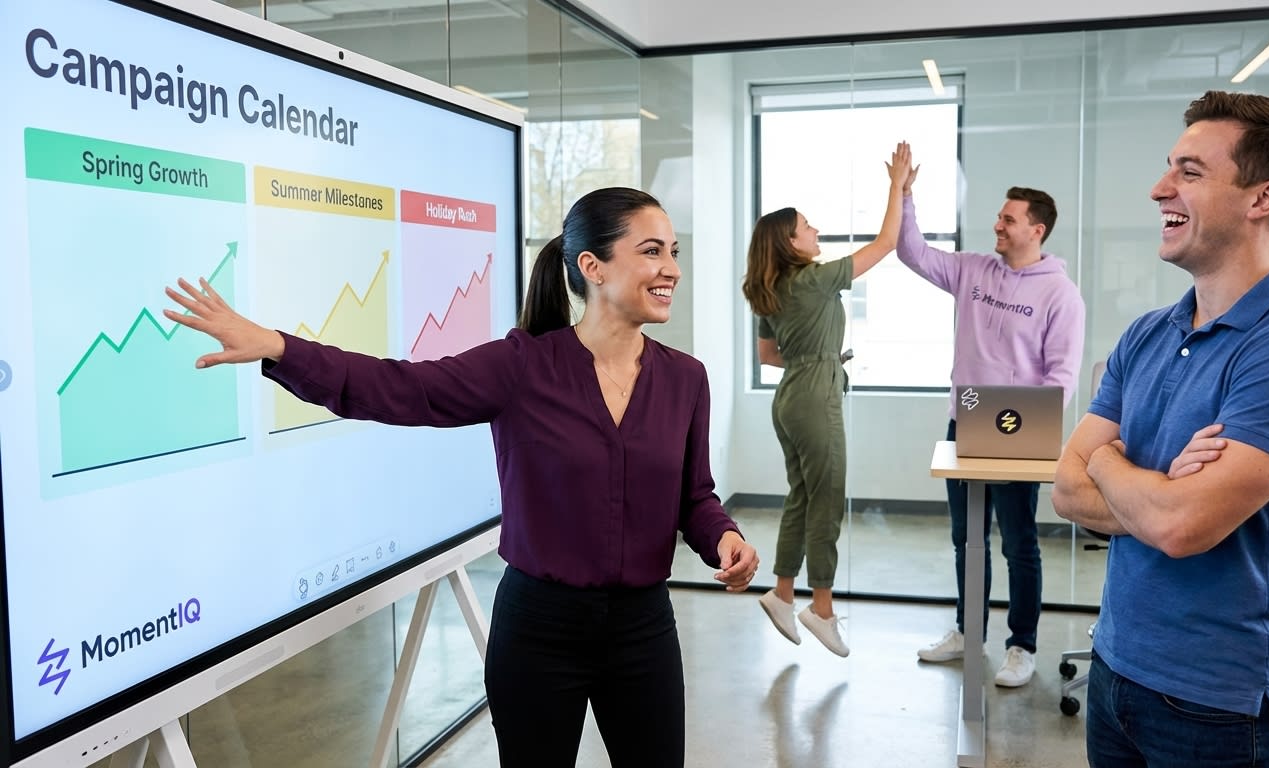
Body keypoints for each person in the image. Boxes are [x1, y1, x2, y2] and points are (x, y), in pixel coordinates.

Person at [162, 187, 760, 767]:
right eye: (652, 251)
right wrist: (277, 347)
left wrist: (723, 537)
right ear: (592, 267)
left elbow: (695, 495)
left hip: (643, 630)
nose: (671, 269)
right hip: (539, 632)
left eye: (674, 252)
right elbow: (401, 388)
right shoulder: (522, 366)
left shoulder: (686, 378)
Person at [1052, 91, 1269, 767]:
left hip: (1224, 707)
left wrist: (1109, 463)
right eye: (1170, 167)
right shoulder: (1148, 335)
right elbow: (1065, 493)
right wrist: (1157, 491)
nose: (1161, 187)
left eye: (1190, 172)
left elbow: (1182, 528)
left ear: (1262, 199)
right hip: (1115, 672)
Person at [899, 175, 1085, 687]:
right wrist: (905, 194)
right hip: (967, 419)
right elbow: (911, 252)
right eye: (1000, 217)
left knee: (1019, 543)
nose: (997, 225)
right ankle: (967, 634)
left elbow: (1062, 376)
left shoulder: (1060, 294)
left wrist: (1028, 429)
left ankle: (1021, 646)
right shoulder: (973, 271)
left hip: (1018, 433)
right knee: (967, 539)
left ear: (1037, 229)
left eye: (1009, 219)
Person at [742, 141, 912, 658]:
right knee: (828, 497)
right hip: (816, 392)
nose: (816, 232)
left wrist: (814, 353)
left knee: (802, 496)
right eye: (808, 227)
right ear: (791, 243)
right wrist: (896, 186)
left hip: (789, 394)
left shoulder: (770, 289)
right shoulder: (814, 280)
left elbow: (769, 356)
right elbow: (885, 243)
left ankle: (782, 592)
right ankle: (820, 607)